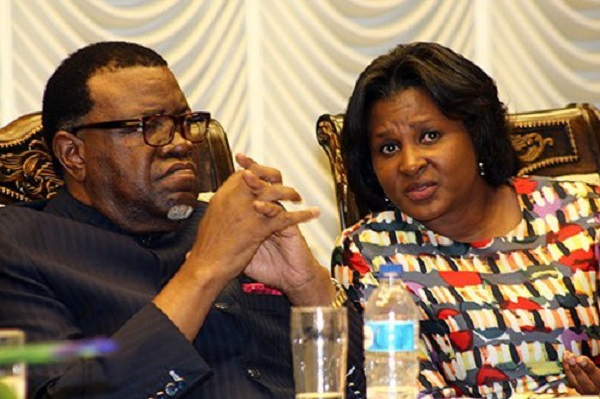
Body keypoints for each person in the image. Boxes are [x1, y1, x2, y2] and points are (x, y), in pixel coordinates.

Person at [0, 41, 365, 398]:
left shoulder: (235, 228)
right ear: (74, 154)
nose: (180, 143)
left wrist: (308, 286)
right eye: (150, 125)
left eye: (183, 122)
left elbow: (384, 383)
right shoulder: (20, 246)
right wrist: (203, 272)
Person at [331, 41, 600, 398]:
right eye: (389, 147)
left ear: (477, 132)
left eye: (429, 136)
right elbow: (403, 391)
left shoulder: (583, 213)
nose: (409, 163)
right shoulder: (371, 255)